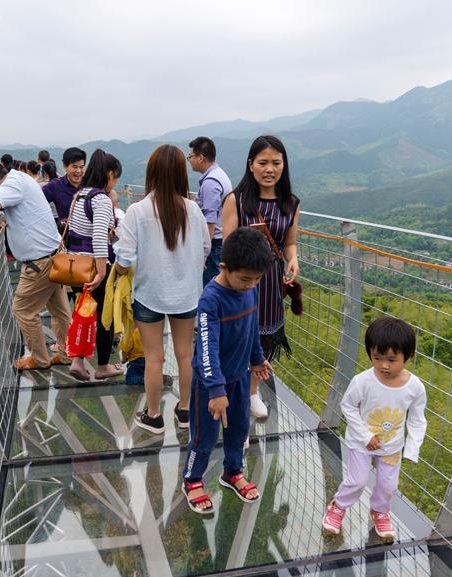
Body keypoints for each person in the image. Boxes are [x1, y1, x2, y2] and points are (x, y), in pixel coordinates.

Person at [114, 144, 210, 434]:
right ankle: (185, 411)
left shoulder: (137, 211)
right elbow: (205, 248)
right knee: (185, 355)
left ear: (151, 173)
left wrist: (118, 272)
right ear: (182, 173)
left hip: (149, 294)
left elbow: (125, 257)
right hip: (186, 295)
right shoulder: (193, 210)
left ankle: (153, 416)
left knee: (154, 357)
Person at [181, 227, 274, 514]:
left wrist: (257, 358)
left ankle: (232, 473)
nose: (251, 285)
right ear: (224, 267)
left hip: (240, 377)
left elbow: (251, 328)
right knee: (204, 436)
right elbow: (206, 350)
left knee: (238, 431)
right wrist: (216, 390)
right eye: (245, 279)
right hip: (211, 385)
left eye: (257, 279)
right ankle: (193, 480)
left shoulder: (249, 290)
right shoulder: (212, 299)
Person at [322, 317, 427, 540]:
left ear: (408, 356)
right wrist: (366, 435)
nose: (383, 365)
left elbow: (417, 419)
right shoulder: (363, 381)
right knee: (357, 480)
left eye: (391, 359)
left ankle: (380, 511)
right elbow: (348, 406)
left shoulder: (415, 388)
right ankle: (338, 506)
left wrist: (412, 448)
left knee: (388, 484)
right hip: (361, 443)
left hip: (391, 446)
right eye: (376, 357)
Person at [222, 135, 301, 420]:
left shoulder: (290, 203)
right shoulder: (237, 200)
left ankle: (252, 392)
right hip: (241, 282)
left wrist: (293, 259)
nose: (270, 169)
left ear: (284, 165)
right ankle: (232, 391)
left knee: (263, 339)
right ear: (251, 165)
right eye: (263, 162)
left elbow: (289, 242)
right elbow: (228, 246)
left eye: (276, 163)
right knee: (239, 336)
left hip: (271, 284)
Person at [0, 160, 72, 371]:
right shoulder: (20, 177)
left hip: (39, 262)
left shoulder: (11, 185)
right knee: (59, 309)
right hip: (54, 254)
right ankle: (68, 354)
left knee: (22, 310)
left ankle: (39, 360)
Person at [65, 149, 123, 381]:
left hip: (76, 266)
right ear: (109, 174)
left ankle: (77, 361)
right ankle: (102, 366)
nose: (116, 182)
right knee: (104, 317)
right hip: (94, 266)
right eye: (116, 176)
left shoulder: (80, 195)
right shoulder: (101, 199)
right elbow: (99, 237)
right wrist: (101, 272)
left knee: (83, 312)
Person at [189, 136, 233, 286]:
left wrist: (204, 253)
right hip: (219, 242)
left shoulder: (210, 183)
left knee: (211, 288)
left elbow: (210, 221)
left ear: (200, 157)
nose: (190, 160)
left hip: (214, 245)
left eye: (191, 156)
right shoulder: (219, 174)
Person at [41, 147, 86, 230]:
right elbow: (38, 203)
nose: (79, 171)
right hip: (65, 238)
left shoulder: (90, 185)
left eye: (81, 167)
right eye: (75, 167)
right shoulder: (56, 185)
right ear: (65, 166)